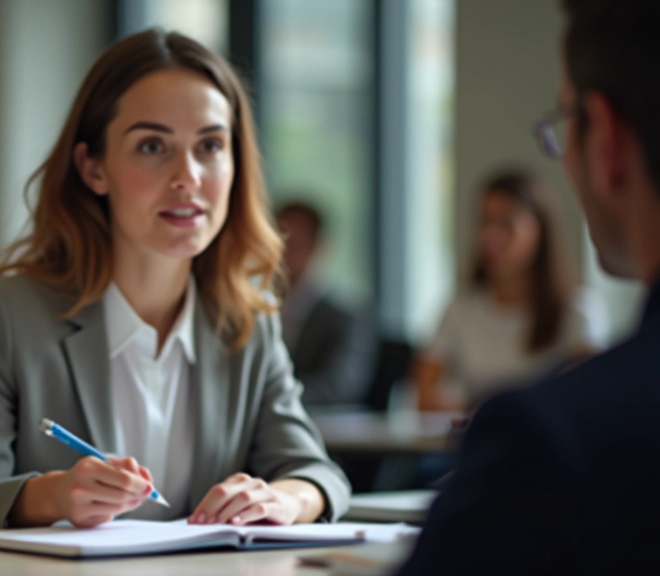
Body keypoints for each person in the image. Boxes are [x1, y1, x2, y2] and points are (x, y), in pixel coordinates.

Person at [0, 29, 351, 530]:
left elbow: (313, 472)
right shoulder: (4, 315)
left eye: (211, 145)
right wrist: (56, 494)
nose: (189, 176)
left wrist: (284, 501)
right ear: (93, 168)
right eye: (153, 145)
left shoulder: (247, 321)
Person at [396, 0, 660, 573]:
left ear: (606, 139)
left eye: (564, 126)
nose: (491, 238)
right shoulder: (465, 307)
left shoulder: (548, 445)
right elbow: (426, 388)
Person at [413, 169, 606, 411]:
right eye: (485, 222)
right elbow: (423, 394)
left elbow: (587, 396)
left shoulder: (577, 310)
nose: (491, 236)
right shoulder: (462, 309)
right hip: (482, 443)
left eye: (506, 223)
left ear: (540, 230)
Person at [276, 201, 376, 408]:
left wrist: (272, 399)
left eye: (294, 243)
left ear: (316, 246)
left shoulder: (346, 314)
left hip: (320, 427)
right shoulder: (252, 307)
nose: (284, 253)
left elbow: (339, 386)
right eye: (278, 241)